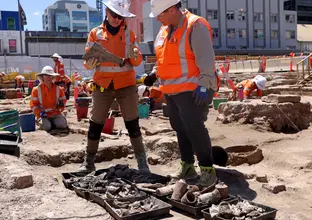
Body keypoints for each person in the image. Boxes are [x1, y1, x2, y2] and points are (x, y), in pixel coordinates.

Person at [147, 0, 220, 187]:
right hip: (171, 90)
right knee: (180, 128)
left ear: (171, 10)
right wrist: (155, 73)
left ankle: (207, 170)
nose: (157, 18)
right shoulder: (164, 29)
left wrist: (205, 85)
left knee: (195, 128)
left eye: (160, 14)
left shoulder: (195, 25)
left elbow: (206, 58)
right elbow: (164, 58)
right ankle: (187, 166)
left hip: (193, 88)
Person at [78, 0, 150, 173]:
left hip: (125, 85)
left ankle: (142, 162)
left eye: (120, 16)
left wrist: (135, 55)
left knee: (132, 123)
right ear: (107, 13)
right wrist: (90, 62)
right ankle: (88, 162)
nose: (117, 19)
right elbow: (87, 63)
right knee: (96, 123)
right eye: (114, 15)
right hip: (102, 85)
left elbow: (136, 61)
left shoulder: (129, 35)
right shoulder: (95, 34)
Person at [30, 66, 67, 132]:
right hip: (43, 115)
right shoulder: (36, 90)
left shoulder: (59, 89)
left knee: (62, 125)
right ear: (42, 77)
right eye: (46, 75)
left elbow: (63, 101)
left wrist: (62, 105)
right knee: (47, 127)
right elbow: (33, 105)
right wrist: (39, 113)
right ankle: (41, 122)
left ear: (53, 77)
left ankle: (52, 123)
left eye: (50, 76)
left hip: (55, 113)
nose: (48, 78)